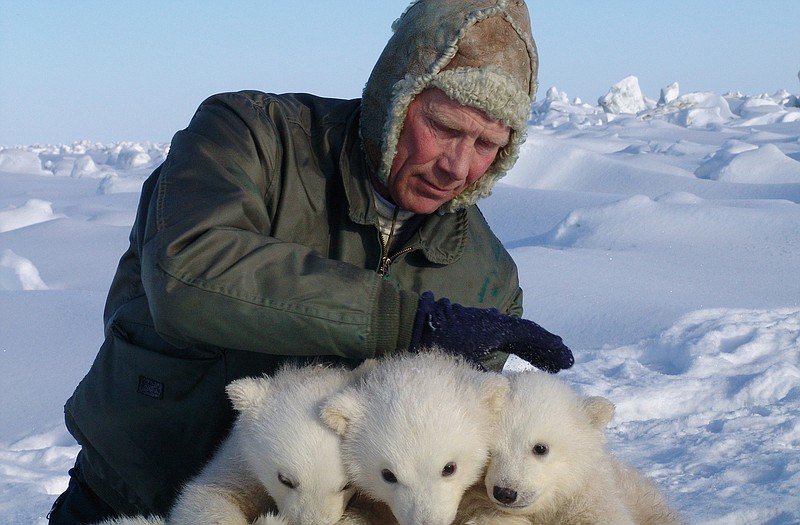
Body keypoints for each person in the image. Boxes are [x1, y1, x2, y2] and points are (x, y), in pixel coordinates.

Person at [48, 0, 574, 523]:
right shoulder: (250, 138)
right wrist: (402, 321)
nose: (457, 166)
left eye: (487, 144)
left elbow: (449, 459)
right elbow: (188, 269)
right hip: (128, 496)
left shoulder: (486, 278)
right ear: (393, 96)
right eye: (443, 127)